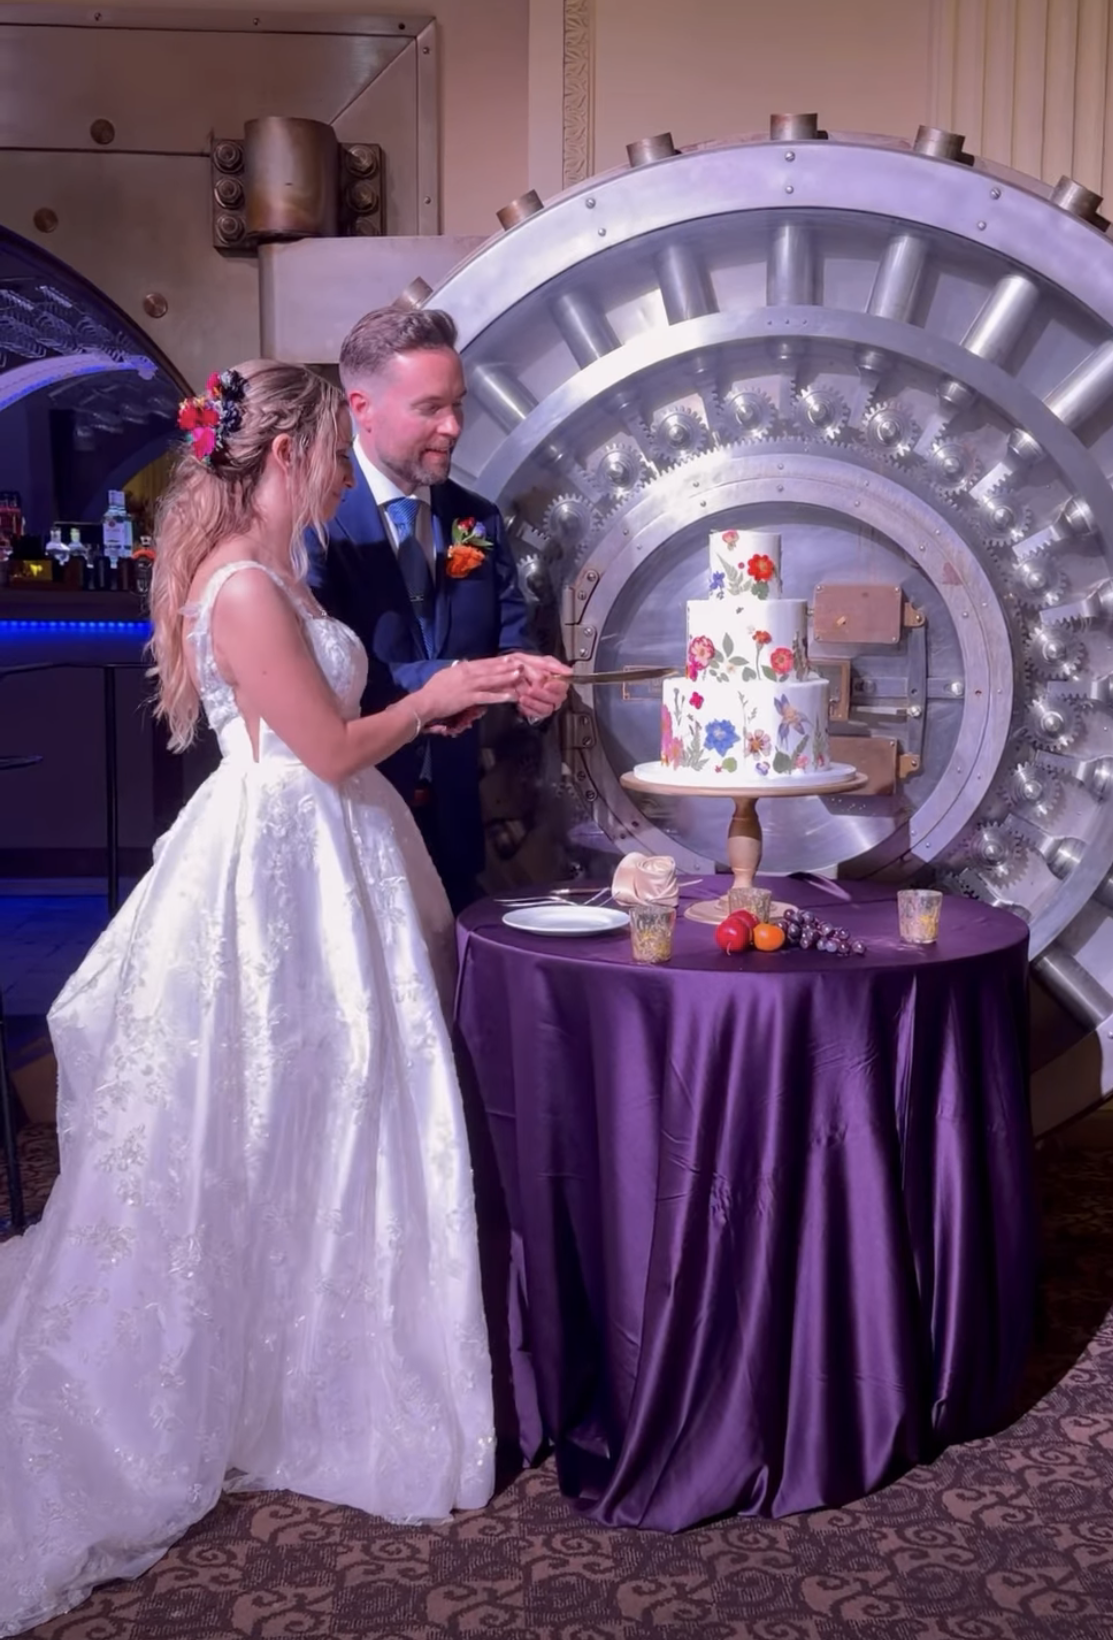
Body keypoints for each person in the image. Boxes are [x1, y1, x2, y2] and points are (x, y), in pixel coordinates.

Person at [0, 360, 522, 1637]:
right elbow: (330, 749)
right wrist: (439, 694)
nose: (344, 472)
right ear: (286, 451)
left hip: (324, 851)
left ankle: (306, 1348)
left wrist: (469, 692)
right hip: (278, 861)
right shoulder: (241, 586)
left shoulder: (275, 572)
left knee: (323, 1107)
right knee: (275, 1101)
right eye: (334, 450)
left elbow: (337, 733)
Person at [309, 305, 570, 913]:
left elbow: (511, 640)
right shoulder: (315, 525)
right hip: (354, 816)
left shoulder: (475, 519)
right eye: (430, 409)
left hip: (457, 822)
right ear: (362, 409)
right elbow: (329, 682)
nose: (453, 427)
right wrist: (456, 681)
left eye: (458, 404)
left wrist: (528, 682)